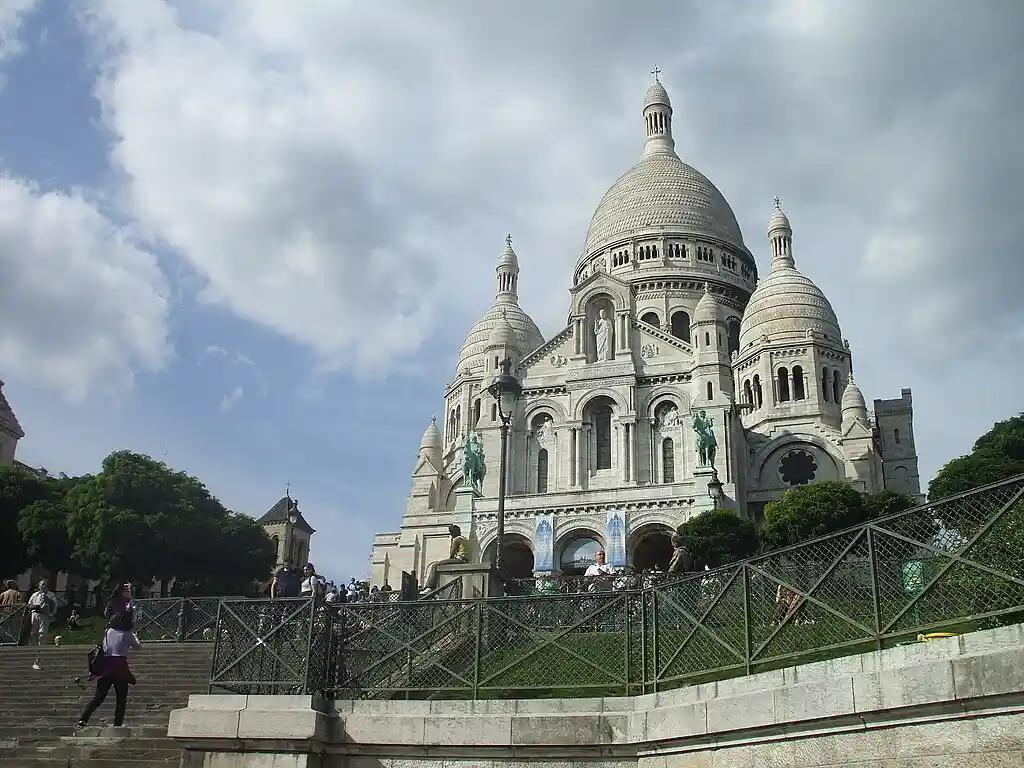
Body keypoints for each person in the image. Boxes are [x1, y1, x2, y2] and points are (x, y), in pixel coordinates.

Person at [77, 606, 141, 729]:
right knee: (121, 700)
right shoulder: (128, 634)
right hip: (120, 668)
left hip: (106, 667)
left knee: (98, 697)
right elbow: (138, 647)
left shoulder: (109, 631)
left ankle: (83, 719)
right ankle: (117, 724)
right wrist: (135, 634)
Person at [421, 525, 470, 593]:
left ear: (454, 532)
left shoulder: (456, 540)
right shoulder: (464, 539)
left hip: (460, 560)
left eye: (451, 532)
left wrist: (449, 558)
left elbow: (452, 554)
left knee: (435, 565)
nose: (451, 534)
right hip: (466, 560)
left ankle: (430, 587)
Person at [27, 579, 58, 670]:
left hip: (44, 615)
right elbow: (29, 605)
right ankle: (31, 657)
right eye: (42, 585)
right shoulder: (35, 594)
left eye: (45, 585)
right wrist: (34, 607)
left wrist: (48, 601)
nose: (44, 586)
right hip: (35, 615)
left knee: (42, 635)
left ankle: (39, 659)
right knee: (33, 634)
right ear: (39, 586)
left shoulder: (51, 595)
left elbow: (54, 605)